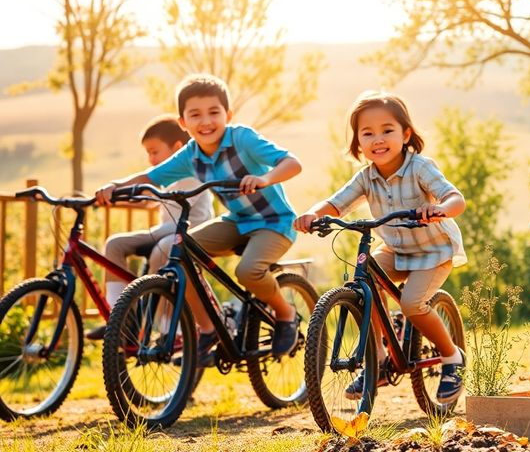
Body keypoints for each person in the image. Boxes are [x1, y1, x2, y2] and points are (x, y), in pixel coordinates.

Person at [96, 73, 304, 358]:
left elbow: (292, 163)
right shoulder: (191, 154)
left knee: (247, 272)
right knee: (180, 253)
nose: (206, 121)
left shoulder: (242, 138)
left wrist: (265, 179)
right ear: (183, 122)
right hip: (238, 222)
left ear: (227, 115)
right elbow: (151, 177)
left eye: (214, 113)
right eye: (195, 115)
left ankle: (285, 313)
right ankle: (208, 329)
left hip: (274, 222)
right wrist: (115, 186)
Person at [293, 90, 468, 404]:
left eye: (387, 130)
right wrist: (313, 214)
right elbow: (336, 203)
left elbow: (455, 199)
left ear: (406, 134)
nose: (378, 139)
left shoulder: (420, 168)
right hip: (397, 251)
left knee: (413, 305)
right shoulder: (366, 177)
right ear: (358, 142)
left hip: (433, 252)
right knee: (363, 281)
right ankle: (380, 356)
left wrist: (440, 209)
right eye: (368, 133)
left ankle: (452, 356)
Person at [86, 116, 214, 340]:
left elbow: (156, 196)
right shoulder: (166, 177)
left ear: (177, 148)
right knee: (115, 244)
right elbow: (148, 199)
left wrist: (142, 192)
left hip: (190, 234)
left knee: (162, 250)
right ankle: (121, 320)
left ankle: (168, 329)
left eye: (154, 152)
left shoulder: (193, 173)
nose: (151, 159)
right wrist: (112, 197)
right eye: (148, 153)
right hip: (166, 230)